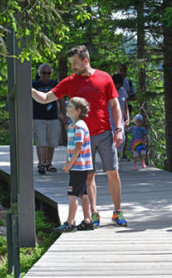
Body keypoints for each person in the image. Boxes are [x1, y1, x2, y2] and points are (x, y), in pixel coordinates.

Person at [32, 45, 128, 227]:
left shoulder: (104, 77)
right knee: (88, 176)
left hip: (105, 133)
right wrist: (28, 89)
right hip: (82, 138)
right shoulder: (70, 81)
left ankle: (117, 212)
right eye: (71, 64)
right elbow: (45, 98)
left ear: (86, 61)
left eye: (75, 63)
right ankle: (94, 213)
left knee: (113, 173)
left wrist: (119, 129)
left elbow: (115, 105)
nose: (73, 67)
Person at [54, 97, 94, 233]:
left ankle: (70, 224)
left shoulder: (79, 126)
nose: (67, 108)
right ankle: (87, 221)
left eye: (70, 106)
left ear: (77, 111)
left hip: (79, 166)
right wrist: (67, 162)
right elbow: (69, 147)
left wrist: (70, 164)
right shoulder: (72, 126)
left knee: (73, 195)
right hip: (76, 165)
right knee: (83, 193)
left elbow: (78, 146)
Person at [32, 63, 65, 174]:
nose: (47, 75)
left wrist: (63, 113)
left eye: (49, 73)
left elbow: (60, 99)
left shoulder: (54, 84)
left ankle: (49, 163)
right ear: (40, 73)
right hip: (38, 117)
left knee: (52, 142)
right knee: (41, 142)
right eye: (44, 73)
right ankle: (42, 164)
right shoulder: (34, 85)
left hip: (52, 117)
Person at [117, 64, 136, 161]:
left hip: (126, 107)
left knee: (125, 130)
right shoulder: (114, 81)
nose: (122, 72)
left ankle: (123, 154)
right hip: (115, 108)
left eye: (124, 70)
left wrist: (127, 98)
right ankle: (115, 153)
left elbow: (134, 96)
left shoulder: (129, 83)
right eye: (121, 70)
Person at [108, 73, 130, 155]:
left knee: (121, 139)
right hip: (109, 119)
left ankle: (116, 157)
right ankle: (112, 159)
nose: (116, 86)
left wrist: (127, 118)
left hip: (120, 120)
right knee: (110, 139)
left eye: (118, 84)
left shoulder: (123, 91)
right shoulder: (107, 91)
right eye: (115, 84)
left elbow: (125, 106)